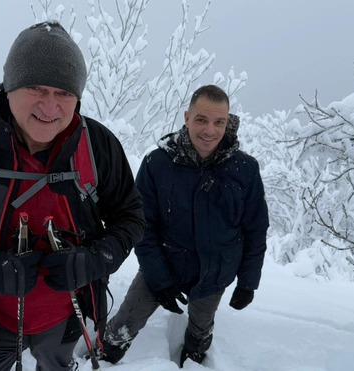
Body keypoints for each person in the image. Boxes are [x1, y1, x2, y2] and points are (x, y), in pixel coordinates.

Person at [0, 21, 145, 371]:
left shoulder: (97, 145)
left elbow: (131, 217)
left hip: (67, 315)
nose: (50, 107)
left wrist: (95, 260)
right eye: (36, 87)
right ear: (10, 86)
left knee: (56, 364)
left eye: (64, 93)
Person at [97, 84, 269, 367]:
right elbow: (143, 226)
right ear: (187, 117)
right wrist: (160, 281)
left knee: (201, 329)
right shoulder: (157, 163)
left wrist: (248, 283)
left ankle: (194, 355)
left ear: (228, 123)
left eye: (219, 122)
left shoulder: (245, 169)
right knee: (123, 325)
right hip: (163, 264)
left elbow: (255, 229)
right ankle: (105, 357)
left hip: (214, 273)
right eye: (201, 119)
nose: (209, 130)